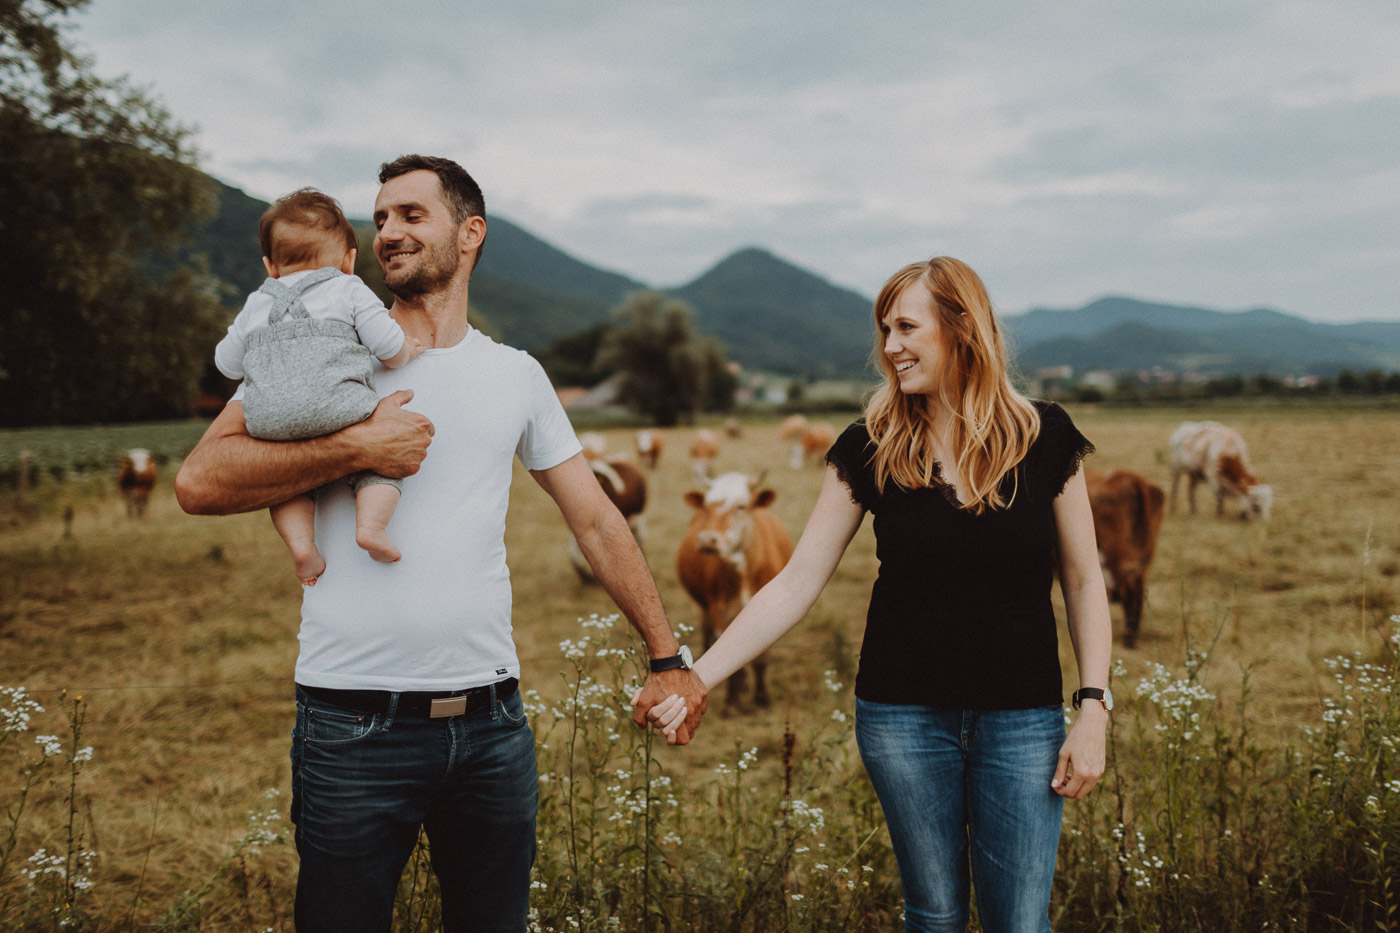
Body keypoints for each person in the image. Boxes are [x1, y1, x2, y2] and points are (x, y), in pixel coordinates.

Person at [176, 154, 708, 933]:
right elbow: (199, 480)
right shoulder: (323, 347)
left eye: (412, 214)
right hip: (351, 725)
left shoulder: (515, 375)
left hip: (493, 729)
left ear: (471, 233)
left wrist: (667, 656)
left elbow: (593, 518)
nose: (389, 229)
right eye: (381, 217)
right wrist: (357, 446)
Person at [640, 256, 1113, 933]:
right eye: (884, 329)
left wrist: (1093, 706)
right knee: (935, 913)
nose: (889, 347)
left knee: (1021, 921)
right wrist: (697, 676)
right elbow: (798, 578)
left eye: (906, 327)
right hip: (902, 720)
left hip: (1022, 720)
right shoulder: (872, 445)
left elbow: (1084, 578)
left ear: (961, 329)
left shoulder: (1043, 435)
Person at [214, 188, 425, 585]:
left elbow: (226, 364)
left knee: (287, 484)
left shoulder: (256, 302)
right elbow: (386, 346)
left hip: (269, 422)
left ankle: (302, 548)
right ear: (348, 259)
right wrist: (407, 350)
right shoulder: (348, 287)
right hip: (341, 407)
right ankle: (371, 528)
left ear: (269, 266)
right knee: (378, 457)